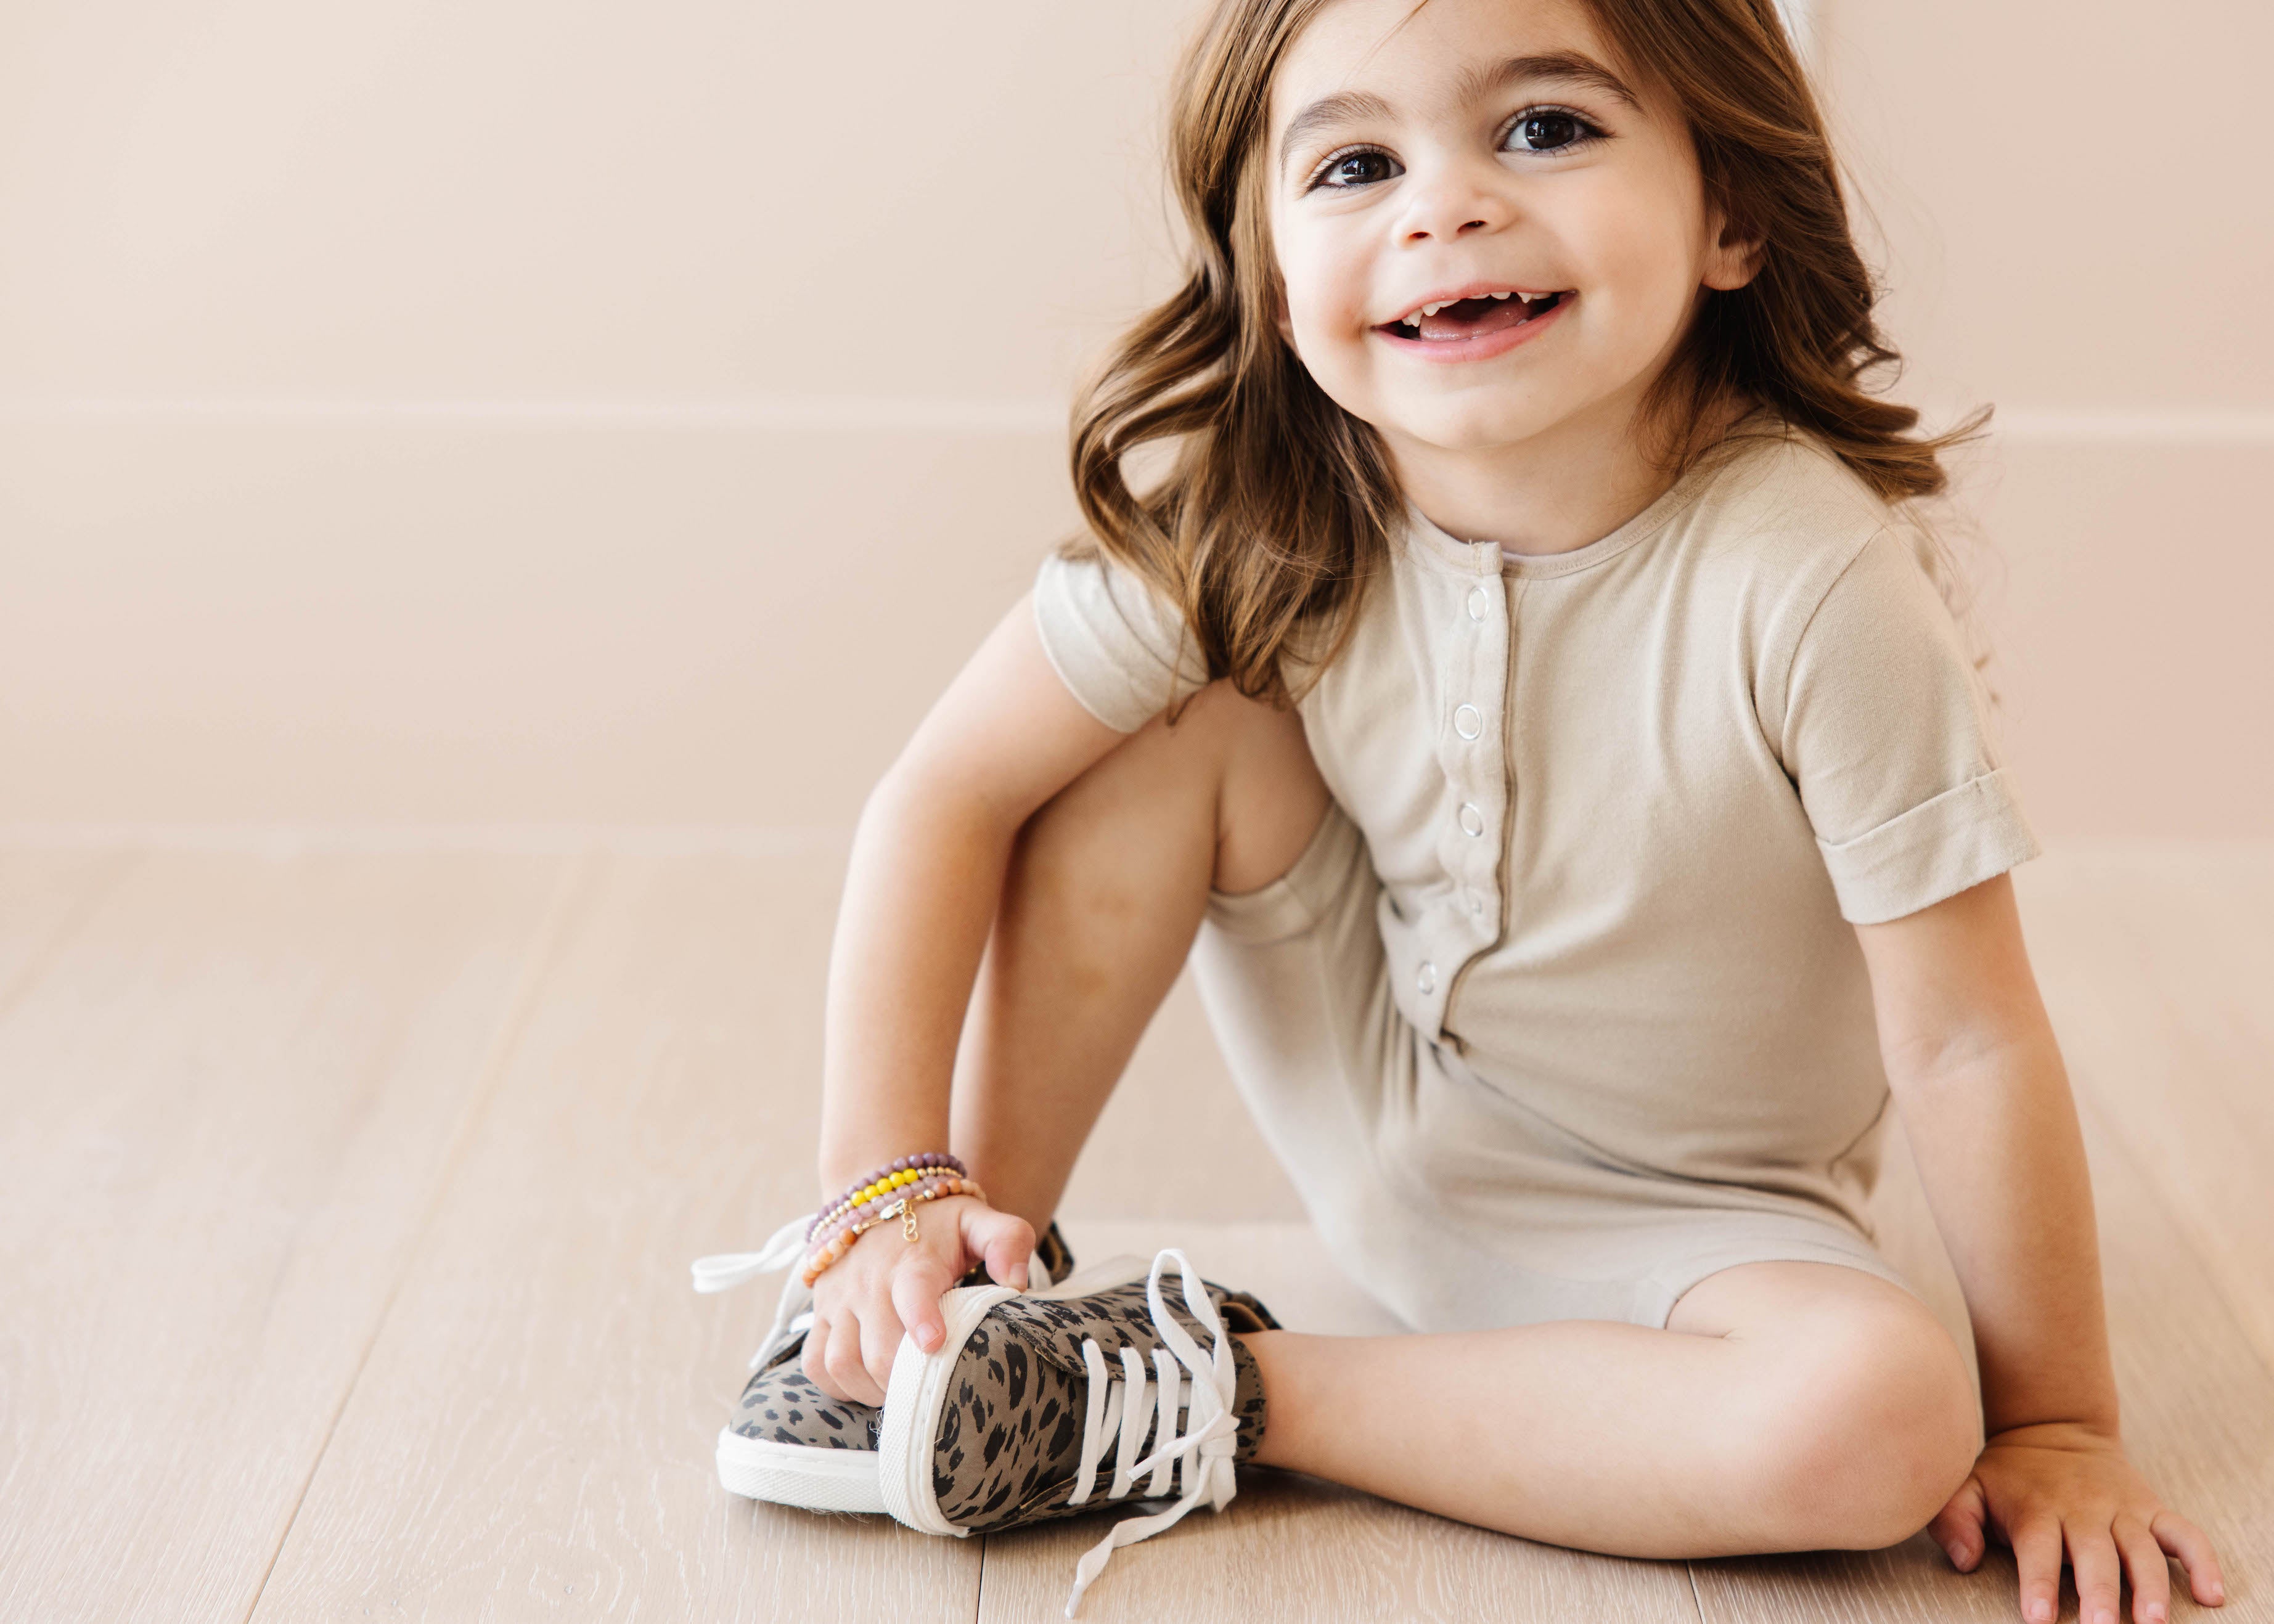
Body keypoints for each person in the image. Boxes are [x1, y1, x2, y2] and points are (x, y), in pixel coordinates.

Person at [692, 1, 2228, 1618]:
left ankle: (1219, 1386)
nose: (1442, 205)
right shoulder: (1271, 507)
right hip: (1379, 1092)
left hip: (1700, 1235)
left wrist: (2058, 1422)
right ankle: (941, 1308)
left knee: (1882, 1417)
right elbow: (940, 791)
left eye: (1544, 128)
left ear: (1729, 213)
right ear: (1272, 274)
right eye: (1355, 162)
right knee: (1164, 719)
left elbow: (1967, 1037)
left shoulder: (1812, 574)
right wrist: (887, 1184)